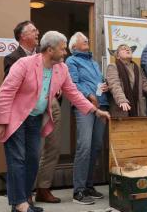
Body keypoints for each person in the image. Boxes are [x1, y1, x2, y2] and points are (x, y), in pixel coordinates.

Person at [0, 31, 111, 212]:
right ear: (50, 50)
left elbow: (73, 93)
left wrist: (95, 110)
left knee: (32, 159)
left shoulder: (61, 69)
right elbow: (6, 91)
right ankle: (20, 203)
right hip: (15, 117)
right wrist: (1, 121)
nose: (65, 52)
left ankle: (23, 202)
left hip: (35, 118)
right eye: (62, 49)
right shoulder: (25, 64)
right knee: (17, 159)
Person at [4, 20, 62, 204]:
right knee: (26, 156)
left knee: (51, 148)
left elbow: (60, 80)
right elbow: (11, 88)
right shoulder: (13, 58)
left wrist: (54, 86)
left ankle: (43, 188)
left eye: (37, 30)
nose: (38, 33)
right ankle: (23, 197)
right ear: (22, 36)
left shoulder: (45, 56)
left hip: (49, 107)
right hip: (25, 112)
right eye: (33, 30)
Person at [66, 32, 110, 205]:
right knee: (84, 146)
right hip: (84, 107)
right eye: (83, 40)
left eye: (87, 39)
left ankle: (89, 186)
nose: (87, 41)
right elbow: (73, 84)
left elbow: (97, 81)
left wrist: (103, 86)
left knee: (96, 146)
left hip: (101, 105)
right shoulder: (71, 61)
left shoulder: (93, 61)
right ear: (74, 46)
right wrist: (89, 94)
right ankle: (78, 191)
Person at [105, 44, 147, 117]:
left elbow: (145, 85)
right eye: (123, 49)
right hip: (121, 110)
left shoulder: (137, 69)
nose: (127, 49)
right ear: (117, 56)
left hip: (138, 109)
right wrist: (121, 100)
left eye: (128, 48)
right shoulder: (113, 67)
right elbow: (114, 85)